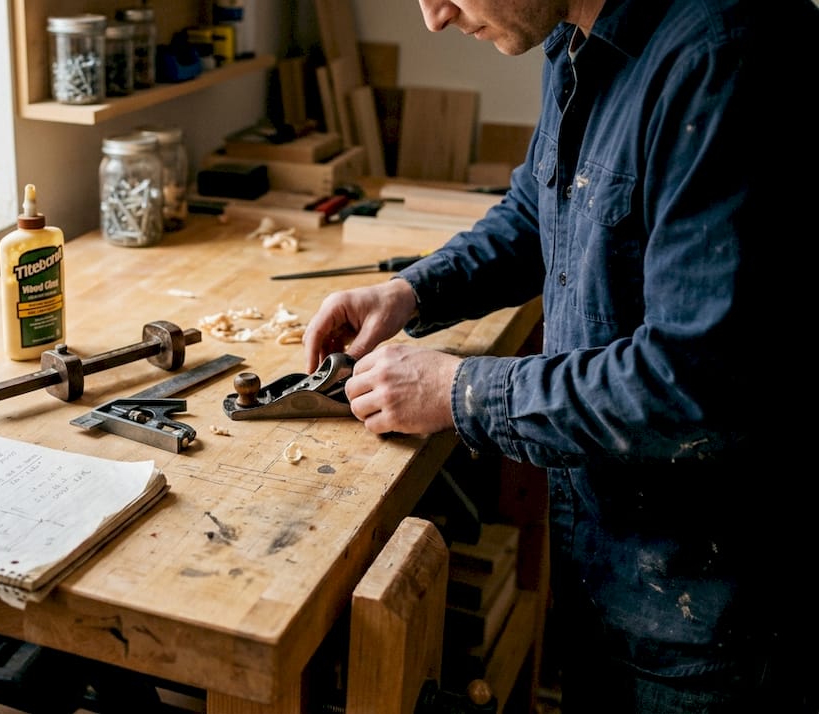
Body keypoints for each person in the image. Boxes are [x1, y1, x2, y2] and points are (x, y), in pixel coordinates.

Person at [302, 0, 819, 711]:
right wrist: (409, 292)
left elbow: (693, 383)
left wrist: (460, 391)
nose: (434, 16)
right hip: (605, 567)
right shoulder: (574, 35)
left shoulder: (722, 59)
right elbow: (540, 209)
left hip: (704, 616)